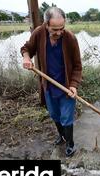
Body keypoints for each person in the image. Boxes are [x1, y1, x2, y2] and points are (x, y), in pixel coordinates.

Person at [20, 7, 82, 157]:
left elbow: (77, 66)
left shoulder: (70, 38)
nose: (59, 32)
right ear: (46, 24)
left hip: (66, 86)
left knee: (66, 117)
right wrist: (27, 58)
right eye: (55, 29)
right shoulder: (39, 34)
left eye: (62, 28)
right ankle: (61, 137)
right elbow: (26, 48)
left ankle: (70, 143)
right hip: (48, 85)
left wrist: (73, 85)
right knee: (54, 114)